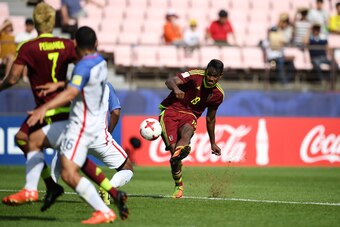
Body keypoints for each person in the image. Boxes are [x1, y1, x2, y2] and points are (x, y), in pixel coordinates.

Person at [0, 3, 128, 219]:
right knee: (41, 146)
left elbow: (71, 93)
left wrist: (45, 106)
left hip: (80, 127)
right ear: (95, 43)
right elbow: (79, 83)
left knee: (62, 166)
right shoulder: (99, 62)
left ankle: (43, 189)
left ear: (76, 43)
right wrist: (60, 85)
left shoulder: (81, 67)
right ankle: (110, 201)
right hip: (84, 123)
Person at [0, 2, 77, 196]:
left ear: (35, 22)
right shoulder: (66, 44)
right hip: (64, 105)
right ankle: (50, 186)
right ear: (53, 21)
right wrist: (63, 84)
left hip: (47, 108)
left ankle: (36, 188)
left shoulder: (28, 47)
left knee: (25, 139)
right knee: (23, 138)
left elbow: (13, 78)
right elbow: (84, 70)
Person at [159, 59, 224, 198]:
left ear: (220, 76)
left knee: (187, 132)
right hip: (171, 110)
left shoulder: (218, 95)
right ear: (206, 71)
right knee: (174, 154)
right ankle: (179, 184)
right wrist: (176, 89)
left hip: (190, 115)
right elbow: (169, 81)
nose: (211, 78)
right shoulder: (195, 76)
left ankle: (180, 150)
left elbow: (210, 119)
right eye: (209, 74)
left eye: (215, 76)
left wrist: (213, 142)